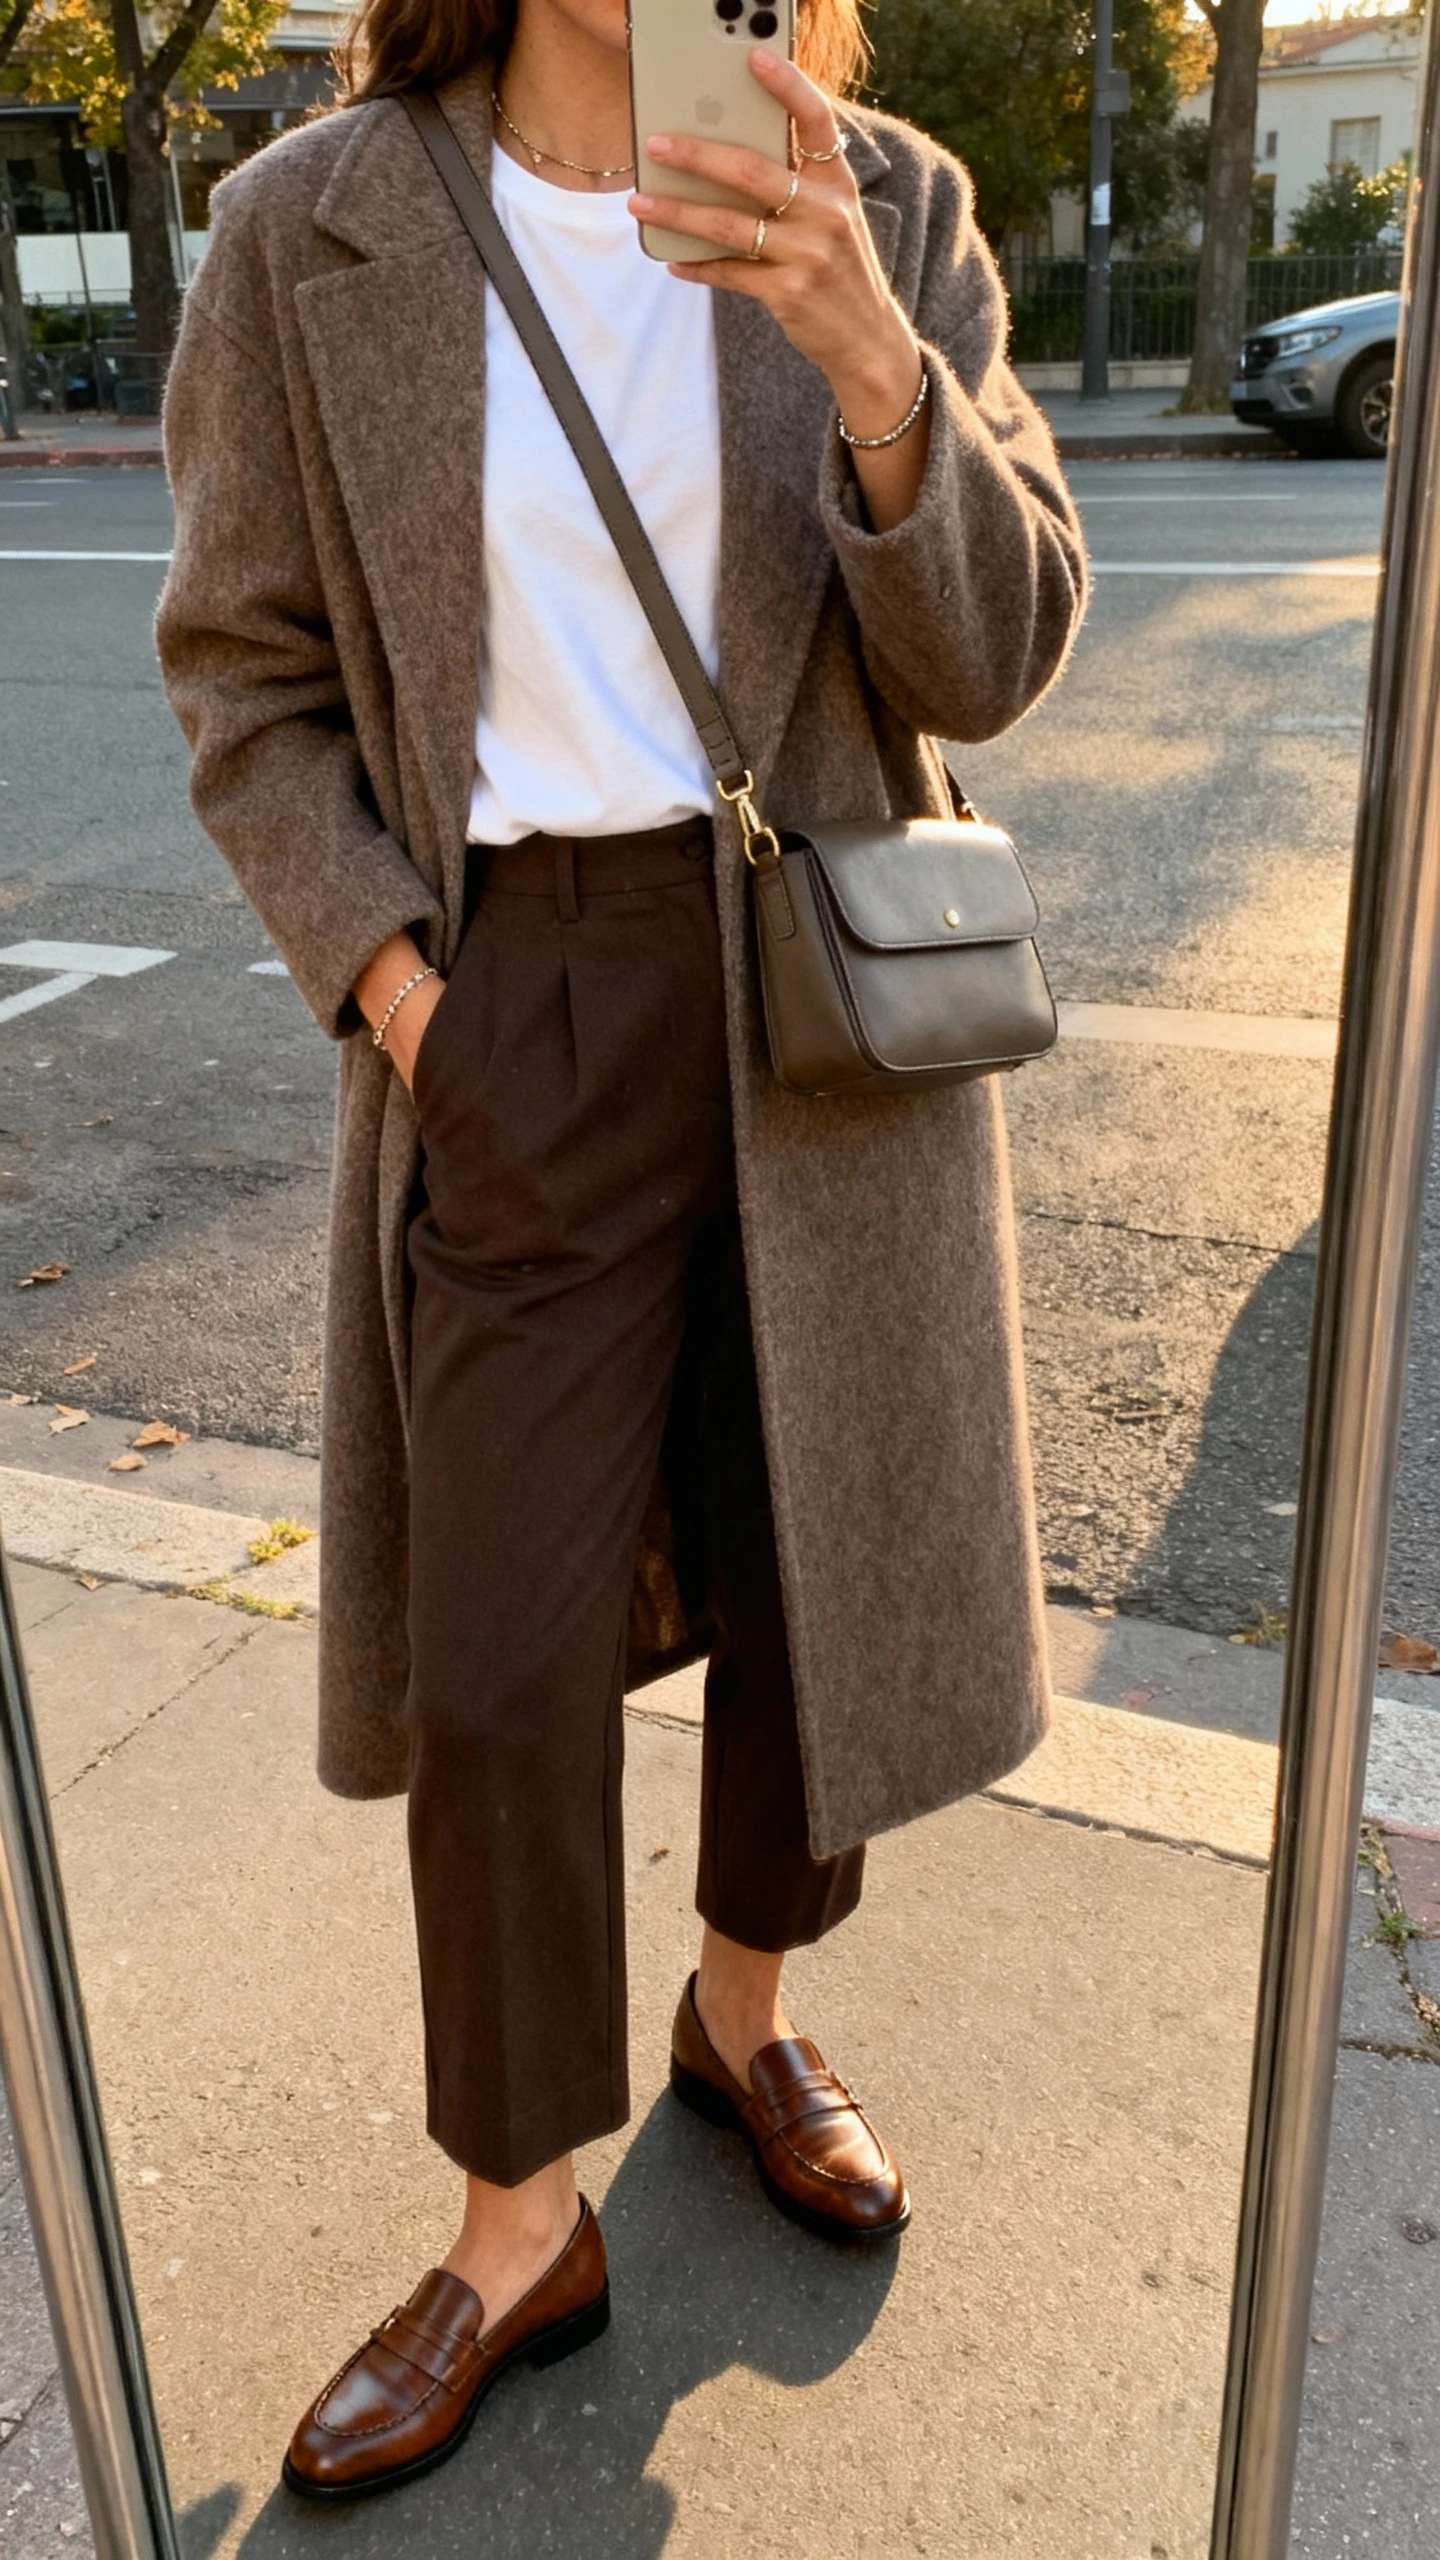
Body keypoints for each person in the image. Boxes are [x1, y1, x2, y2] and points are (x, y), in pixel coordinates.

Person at [156, 0, 1085, 2500]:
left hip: (817, 989)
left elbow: (992, 653)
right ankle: (514, 2218)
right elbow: (242, 677)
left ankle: (745, 2013)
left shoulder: (874, 198)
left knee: (816, 1565)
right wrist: (408, 1000)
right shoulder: (305, 227)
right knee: (501, 1657)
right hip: (511, 998)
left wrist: (872, 365)